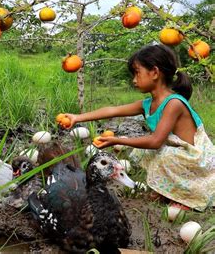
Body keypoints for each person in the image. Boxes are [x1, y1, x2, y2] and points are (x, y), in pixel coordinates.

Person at [63, 44, 214, 211]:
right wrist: (77, 118)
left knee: (162, 154)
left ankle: (188, 195)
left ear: (155, 73)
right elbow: (113, 110)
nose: (134, 79)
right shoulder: (148, 104)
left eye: (137, 72)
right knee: (145, 152)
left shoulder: (174, 103)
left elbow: (156, 141)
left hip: (196, 160)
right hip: (180, 154)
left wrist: (116, 140)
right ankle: (168, 189)